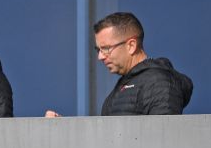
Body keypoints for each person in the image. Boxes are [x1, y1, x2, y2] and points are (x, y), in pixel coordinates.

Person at [46, 12, 192, 117]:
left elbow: (162, 143)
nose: (100, 57)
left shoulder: (159, 82)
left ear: (131, 45)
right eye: (98, 49)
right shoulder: (125, 85)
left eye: (107, 48)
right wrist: (63, 130)